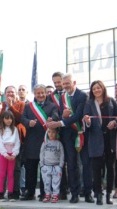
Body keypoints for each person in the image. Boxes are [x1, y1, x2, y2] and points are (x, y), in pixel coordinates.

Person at [47, 73, 87, 204]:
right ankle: (74, 193)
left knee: (85, 164)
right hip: (67, 135)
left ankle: (88, 192)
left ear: (73, 82)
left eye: (67, 83)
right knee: (71, 164)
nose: (65, 86)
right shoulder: (62, 97)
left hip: (80, 133)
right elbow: (62, 115)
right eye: (64, 84)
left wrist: (60, 123)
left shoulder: (82, 95)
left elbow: (78, 115)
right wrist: (60, 117)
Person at [20, 84, 59, 201]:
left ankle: (44, 193)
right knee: (30, 170)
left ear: (46, 93)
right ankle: (29, 193)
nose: (41, 95)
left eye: (43, 92)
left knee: (45, 171)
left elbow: (56, 116)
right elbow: (23, 118)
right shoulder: (28, 106)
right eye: (38, 93)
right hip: (31, 143)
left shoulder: (52, 106)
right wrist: (28, 123)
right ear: (34, 94)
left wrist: (52, 119)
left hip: (46, 142)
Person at [83, 80, 117, 205]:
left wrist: (114, 122)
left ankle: (108, 194)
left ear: (103, 88)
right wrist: (87, 121)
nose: (96, 90)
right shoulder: (89, 103)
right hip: (95, 141)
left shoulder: (111, 101)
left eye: (98, 88)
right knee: (96, 170)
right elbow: (86, 122)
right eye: (94, 89)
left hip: (109, 139)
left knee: (110, 168)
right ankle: (98, 194)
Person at [0, 85, 25, 199]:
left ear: (16, 94)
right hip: (2, 143)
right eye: (8, 92)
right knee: (0, 169)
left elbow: (20, 119)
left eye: (12, 92)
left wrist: (11, 107)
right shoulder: (1, 105)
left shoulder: (21, 104)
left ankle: (14, 192)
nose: (10, 94)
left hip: (16, 141)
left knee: (15, 169)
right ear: (5, 94)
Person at [48, 71, 68, 200]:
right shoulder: (51, 97)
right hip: (56, 132)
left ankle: (70, 190)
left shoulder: (69, 94)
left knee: (69, 162)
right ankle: (58, 190)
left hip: (69, 130)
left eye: (59, 82)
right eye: (54, 83)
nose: (57, 85)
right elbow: (52, 111)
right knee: (56, 163)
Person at [0, 111, 21, 201]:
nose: (8, 120)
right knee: (2, 173)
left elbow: (17, 142)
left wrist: (14, 153)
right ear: (3, 119)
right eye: (6, 118)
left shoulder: (15, 129)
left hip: (12, 154)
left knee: (11, 174)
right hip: (3, 154)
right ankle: (0, 193)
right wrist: (5, 154)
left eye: (10, 118)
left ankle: (10, 193)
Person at [40, 128, 64, 203]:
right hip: (46, 166)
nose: (51, 134)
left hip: (56, 166)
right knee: (46, 182)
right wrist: (42, 165)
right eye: (49, 132)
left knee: (56, 181)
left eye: (53, 132)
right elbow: (41, 153)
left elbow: (62, 154)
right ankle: (47, 194)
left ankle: (55, 195)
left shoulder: (59, 143)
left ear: (56, 133)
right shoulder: (45, 142)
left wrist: (60, 165)